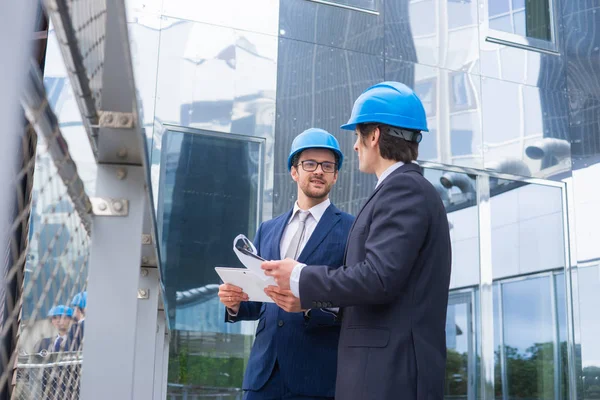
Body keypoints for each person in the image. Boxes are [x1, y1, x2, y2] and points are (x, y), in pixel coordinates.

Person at [262, 82, 452, 400]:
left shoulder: (403, 190)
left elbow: (378, 278)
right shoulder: (402, 190)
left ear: (374, 135)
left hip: (388, 376)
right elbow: (389, 287)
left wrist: (299, 275)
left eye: (357, 136)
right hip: (384, 373)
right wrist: (313, 300)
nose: (355, 147)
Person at [219, 128, 354, 400]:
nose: (319, 171)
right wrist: (235, 304)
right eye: (309, 164)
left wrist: (309, 309)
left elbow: (355, 297)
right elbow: (259, 303)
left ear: (335, 175)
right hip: (264, 375)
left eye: (328, 166)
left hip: (316, 377)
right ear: (294, 172)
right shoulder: (268, 229)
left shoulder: (352, 229)